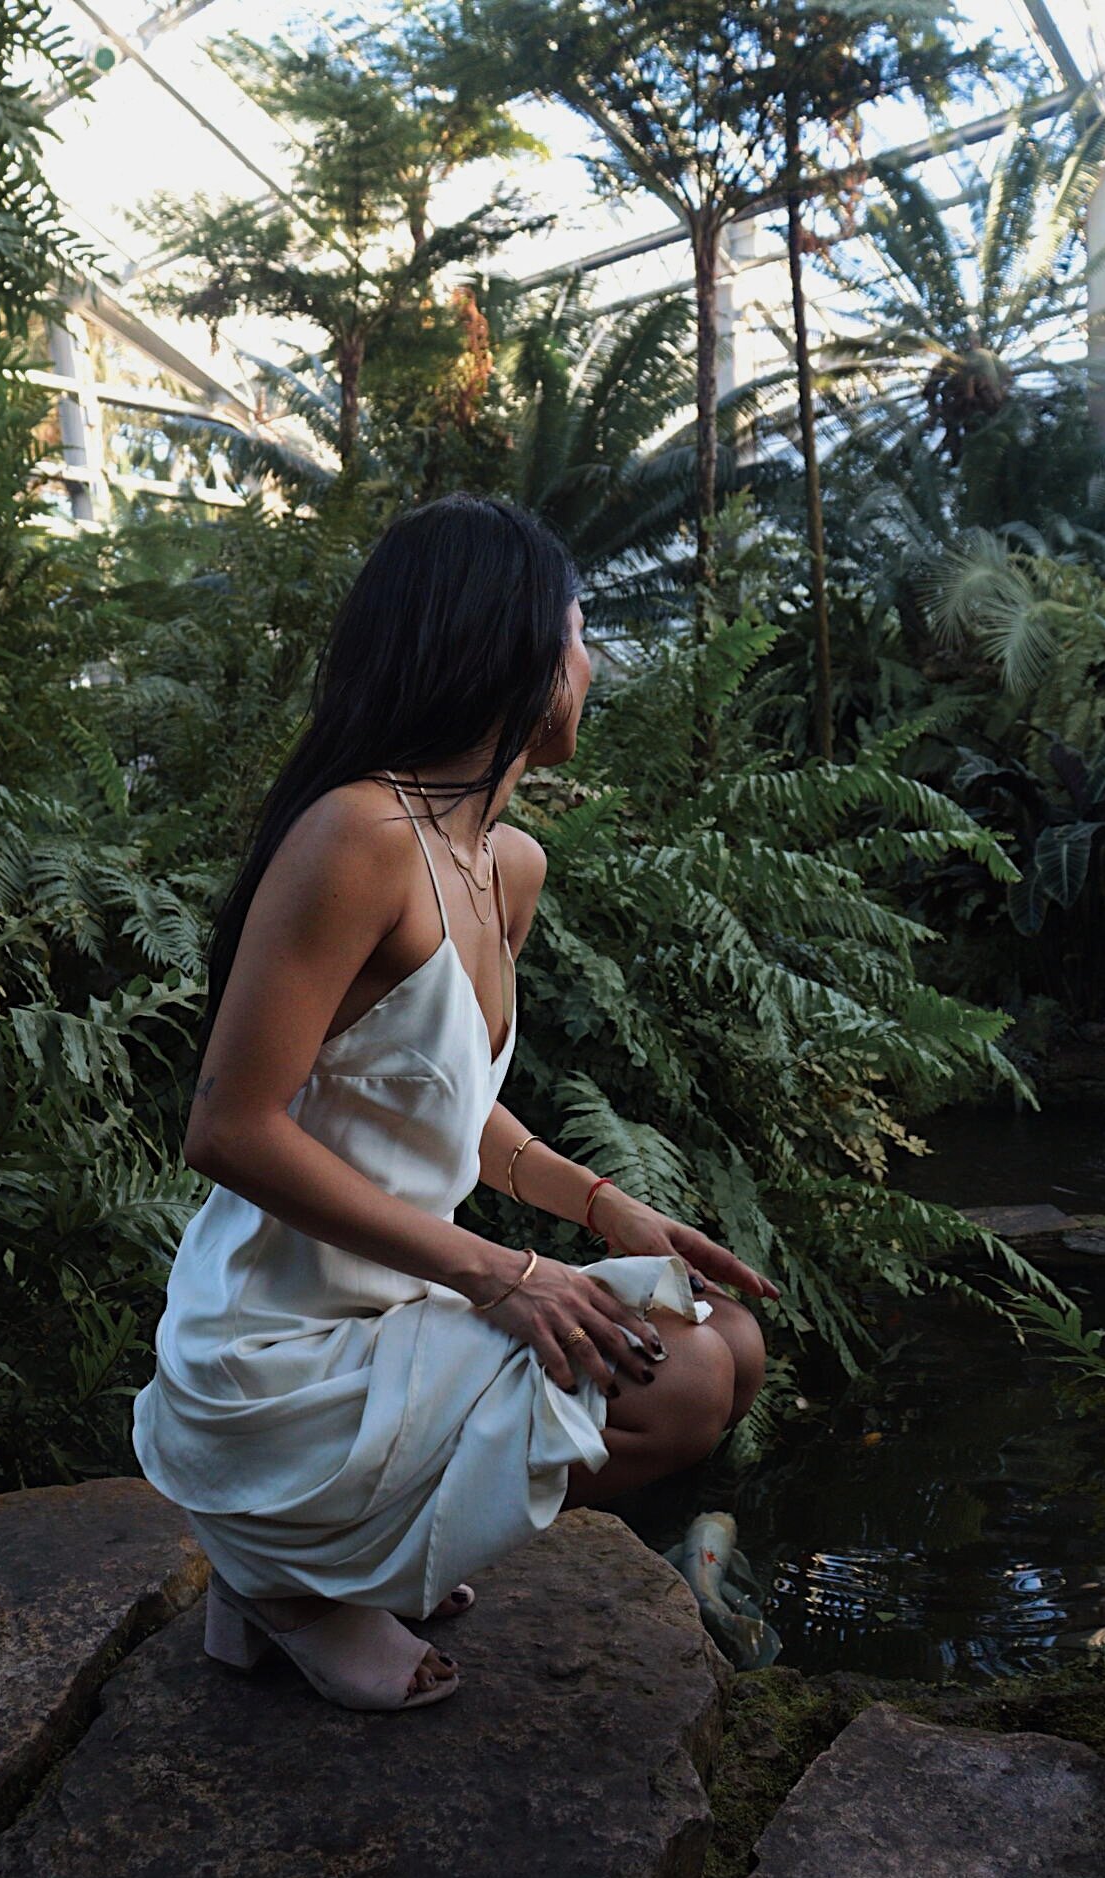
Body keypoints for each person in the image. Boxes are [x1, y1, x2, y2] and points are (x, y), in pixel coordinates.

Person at [131, 492, 778, 1715]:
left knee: (726, 1348)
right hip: (280, 1348)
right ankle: (285, 1580)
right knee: (682, 1382)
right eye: (580, 631)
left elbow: (448, 1106)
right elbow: (229, 1126)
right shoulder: (357, 836)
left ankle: (303, 1554)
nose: (593, 664)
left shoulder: (504, 860)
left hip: (402, 1303)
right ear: (513, 646)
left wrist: (604, 1208)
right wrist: (507, 1273)